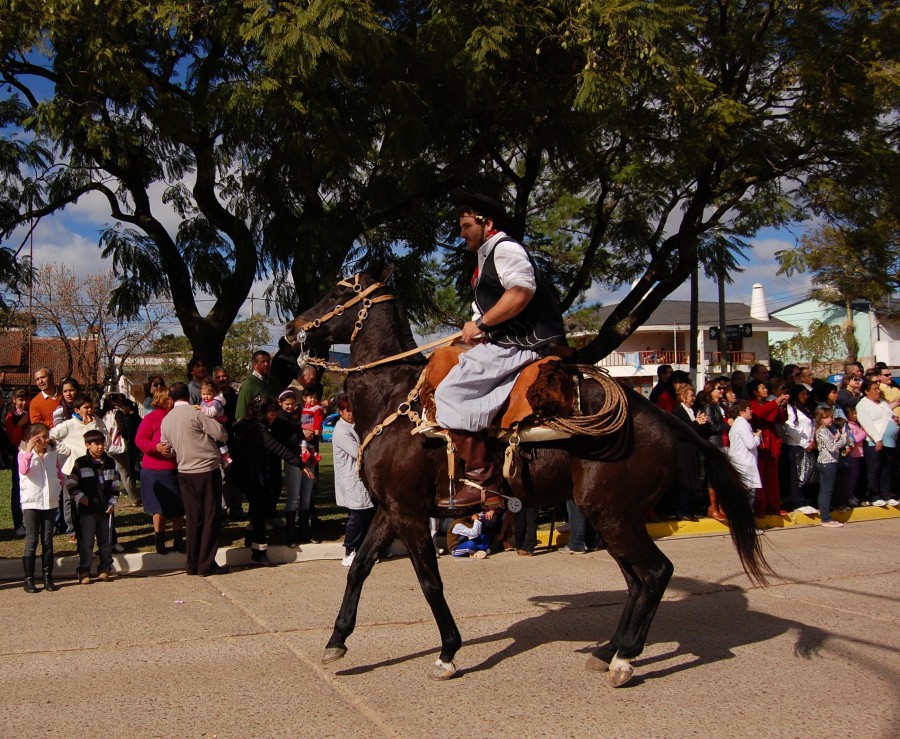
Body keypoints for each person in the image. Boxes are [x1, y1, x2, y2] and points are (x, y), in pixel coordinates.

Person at [434, 189, 565, 509]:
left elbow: (521, 293)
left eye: (466, 226)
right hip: (509, 340)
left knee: (450, 393)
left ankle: (482, 480)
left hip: (524, 343)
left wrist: (481, 325)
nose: (461, 233)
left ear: (487, 223)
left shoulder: (505, 249)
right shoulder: (486, 257)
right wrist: (476, 328)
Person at [230, 397, 313, 566]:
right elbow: (277, 447)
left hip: (242, 474)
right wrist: (300, 463)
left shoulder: (241, 425)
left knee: (256, 510)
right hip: (252, 475)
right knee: (260, 512)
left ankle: (251, 537)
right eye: (271, 414)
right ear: (262, 413)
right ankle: (259, 552)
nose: (274, 417)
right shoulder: (259, 429)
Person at [160, 382, 229, 577]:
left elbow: (168, 449)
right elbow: (220, 434)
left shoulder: (167, 420)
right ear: (189, 396)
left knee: (193, 518)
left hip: (184, 470)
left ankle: (192, 563)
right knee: (210, 516)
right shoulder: (196, 413)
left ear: (171, 398)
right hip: (206, 469)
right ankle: (206, 563)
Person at [135, 387, 186, 555]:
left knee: (177, 508)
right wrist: (155, 447)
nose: (173, 402)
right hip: (154, 471)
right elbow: (140, 440)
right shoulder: (152, 418)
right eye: (170, 399)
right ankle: (160, 540)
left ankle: (179, 540)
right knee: (159, 509)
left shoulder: (177, 417)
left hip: (174, 470)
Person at [66, 429, 120, 583]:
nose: (100, 447)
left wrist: (112, 502)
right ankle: (84, 570)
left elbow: (115, 486)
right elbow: (71, 485)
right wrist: (84, 500)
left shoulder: (110, 462)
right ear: (87, 445)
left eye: (102, 443)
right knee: (87, 541)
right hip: (87, 511)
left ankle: (105, 568)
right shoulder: (81, 463)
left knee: (106, 541)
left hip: (106, 510)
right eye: (96, 444)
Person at [18, 423, 65, 593]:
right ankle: (28, 579)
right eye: (42, 437)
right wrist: (29, 451)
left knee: (48, 541)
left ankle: (47, 577)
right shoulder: (23, 454)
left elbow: (59, 473)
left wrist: (59, 485)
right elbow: (24, 470)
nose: (46, 440)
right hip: (32, 502)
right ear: (33, 438)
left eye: (47, 437)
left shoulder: (52, 454)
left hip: (49, 502)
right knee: (32, 540)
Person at [331, 395, 376, 567]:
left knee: (365, 515)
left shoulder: (355, 426)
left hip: (361, 479)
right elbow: (357, 452)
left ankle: (363, 549)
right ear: (341, 412)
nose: (351, 413)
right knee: (356, 516)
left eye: (352, 409)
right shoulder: (341, 431)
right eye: (347, 410)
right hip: (351, 479)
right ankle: (349, 551)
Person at [855, 377, 899, 508]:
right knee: (874, 469)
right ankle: (873, 496)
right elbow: (867, 423)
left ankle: (887, 494)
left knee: (887, 468)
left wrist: (894, 420)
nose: (877, 392)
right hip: (874, 441)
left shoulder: (882, 402)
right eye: (874, 389)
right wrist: (877, 439)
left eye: (878, 389)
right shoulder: (862, 405)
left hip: (889, 442)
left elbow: (888, 415)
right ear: (867, 391)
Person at [748, 378, 789, 516]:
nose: (766, 390)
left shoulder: (768, 404)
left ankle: (773, 506)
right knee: (759, 477)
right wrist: (776, 402)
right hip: (759, 444)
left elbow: (779, 418)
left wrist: (782, 406)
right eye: (762, 388)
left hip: (771, 442)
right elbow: (760, 413)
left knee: (772, 479)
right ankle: (760, 508)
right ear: (754, 392)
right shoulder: (751, 405)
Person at [782, 384, 819, 515]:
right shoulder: (790, 408)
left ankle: (806, 501)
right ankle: (798, 502)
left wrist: (813, 441)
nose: (805, 397)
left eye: (807, 394)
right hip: (796, 445)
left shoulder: (806, 409)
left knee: (807, 474)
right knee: (797, 476)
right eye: (803, 394)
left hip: (810, 444)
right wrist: (804, 443)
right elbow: (790, 428)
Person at [101, 393, 141, 507]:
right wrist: (126, 438)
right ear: (114, 402)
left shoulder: (104, 414)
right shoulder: (117, 413)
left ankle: (106, 496)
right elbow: (122, 428)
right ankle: (135, 498)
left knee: (108, 474)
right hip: (118, 447)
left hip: (107, 446)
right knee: (125, 474)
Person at [814, 407, 849, 528]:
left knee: (825, 490)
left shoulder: (826, 430)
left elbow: (831, 443)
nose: (831, 419)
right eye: (828, 417)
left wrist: (836, 438)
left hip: (829, 462)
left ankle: (825, 515)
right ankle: (826, 518)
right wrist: (844, 438)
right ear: (821, 418)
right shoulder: (822, 431)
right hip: (827, 463)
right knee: (826, 491)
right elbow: (832, 448)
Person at [4, 388, 30, 537]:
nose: (24, 402)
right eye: (20, 399)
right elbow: (13, 439)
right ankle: (18, 524)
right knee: (18, 490)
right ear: (14, 400)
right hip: (17, 456)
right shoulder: (11, 416)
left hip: (33, 454)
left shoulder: (31, 412)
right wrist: (20, 424)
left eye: (25, 399)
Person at [727, 401, 762, 510]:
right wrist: (757, 437)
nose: (751, 411)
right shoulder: (743, 423)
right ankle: (748, 525)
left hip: (739, 461)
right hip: (745, 463)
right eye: (748, 409)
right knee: (748, 495)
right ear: (742, 411)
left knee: (741, 495)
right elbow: (750, 444)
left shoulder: (736, 424)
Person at [196, 380, 233, 468]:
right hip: (210, 425)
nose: (205, 396)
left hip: (217, 424)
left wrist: (202, 409)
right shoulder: (205, 402)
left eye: (208, 394)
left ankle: (226, 457)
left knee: (219, 441)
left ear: (214, 393)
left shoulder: (216, 402)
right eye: (203, 394)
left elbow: (211, 413)